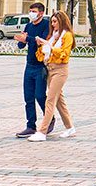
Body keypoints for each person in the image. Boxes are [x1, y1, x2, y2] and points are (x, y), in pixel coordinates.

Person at [28, 10, 76, 142]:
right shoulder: (54, 35)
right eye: (52, 22)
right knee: (59, 100)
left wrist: (48, 45)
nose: (53, 24)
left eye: (55, 21)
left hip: (60, 69)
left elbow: (64, 53)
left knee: (50, 99)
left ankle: (42, 131)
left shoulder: (67, 35)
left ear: (62, 21)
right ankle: (70, 127)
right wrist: (42, 45)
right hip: (50, 68)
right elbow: (43, 53)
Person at [14, 2, 50, 138]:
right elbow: (22, 44)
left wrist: (27, 38)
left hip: (41, 65)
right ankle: (30, 125)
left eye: (34, 11)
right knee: (28, 97)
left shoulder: (46, 25)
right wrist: (21, 40)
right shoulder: (29, 25)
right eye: (30, 11)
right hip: (29, 65)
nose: (31, 13)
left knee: (40, 95)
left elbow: (41, 41)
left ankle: (49, 118)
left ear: (40, 13)